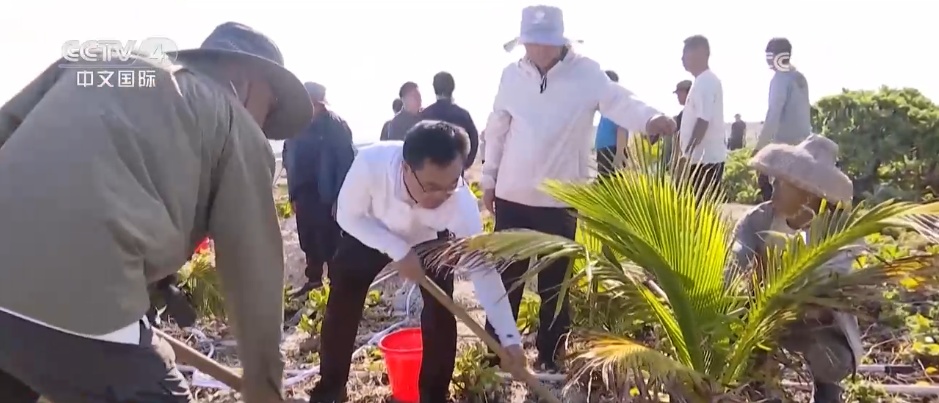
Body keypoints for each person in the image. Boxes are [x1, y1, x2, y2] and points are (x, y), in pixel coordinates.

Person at [0, 22, 309, 402]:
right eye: (271, 104)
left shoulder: (93, 65)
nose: (266, 122)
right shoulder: (236, 124)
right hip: (86, 292)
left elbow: (7, 128)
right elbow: (252, 276)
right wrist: (265, 390)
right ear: (246, 82)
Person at [481, 5, 675, 372]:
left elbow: (619, 100)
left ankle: (550, 357)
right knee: (507, 282)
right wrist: (489, 180)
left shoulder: (586, 73)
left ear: (561, 42)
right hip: (512, 196)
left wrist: (650, 118)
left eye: (546, 43)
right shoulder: (511, 75)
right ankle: (496, 356)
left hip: (560, 200)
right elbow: (497, 129)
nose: (538, 51)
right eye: (532, 43)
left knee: (555, 286)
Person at [308, 121, 525, 403]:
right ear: (405, 167)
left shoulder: (460, 204)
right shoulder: (371, 163)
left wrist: (510, 339)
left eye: (450, 185)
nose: (439, 197)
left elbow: (483, 271)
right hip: (370, 230)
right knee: (342, 302)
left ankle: (434, 395)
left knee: (441, 309)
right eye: (431, 186)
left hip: (429, 240)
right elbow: (348, 217)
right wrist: (397, 249)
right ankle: (331, 389)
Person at [730, 135, 861, 403]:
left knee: (832, 358)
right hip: (759, 315)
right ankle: (767, 393)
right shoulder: (757, 221)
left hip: (814, 323)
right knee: (747, 338)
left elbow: (829, 292)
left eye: (783, 182)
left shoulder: (838, 233)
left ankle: (827, 392)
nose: (774, 187)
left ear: (808, 192)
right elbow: (734, 264)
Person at [285, 82, 356, 296]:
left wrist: (339, 199)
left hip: (328, 194)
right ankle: (313, 280)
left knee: (332, 242)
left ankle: (337, 286)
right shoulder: (296, 125)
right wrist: (293, 194)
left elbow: (346, 163)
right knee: (309, 239)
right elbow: (290, 160)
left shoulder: (336, 126)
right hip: (305, 194)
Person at [754, 37, 812, 202]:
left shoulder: (780, 79)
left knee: (773, 189)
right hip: (804, 143)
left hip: (785, 144)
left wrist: (760, 146)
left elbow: (774, 113)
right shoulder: (799, 77)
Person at [678, 35, 727, 199]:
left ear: (700, 52)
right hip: (701, 160)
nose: (682, 58)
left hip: (705, 161)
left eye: (686, 53)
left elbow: (702, 121)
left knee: (701, 211)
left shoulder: (706, 82)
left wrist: (687, 155)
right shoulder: (701, 81)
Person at [421, 71, 480, 169]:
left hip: (429, 173)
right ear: (453, 88)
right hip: (455, 172)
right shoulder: (463, 114)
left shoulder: (425, 115)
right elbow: (474, 140)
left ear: (434, 88)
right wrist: (465, 164)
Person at [595, 70, 629, 177]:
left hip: (612, 150)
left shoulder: (618, 104)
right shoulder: (607, 105)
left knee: (611, 185)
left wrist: (619, 153)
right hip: (604, 150)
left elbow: (622, 129)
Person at [665, 79, 692, 167]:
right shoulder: (685, 113)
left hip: (688, 160)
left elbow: (678, 140)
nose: (677, 96)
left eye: (679, 93)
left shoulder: (685, 115)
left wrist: (675, 162)